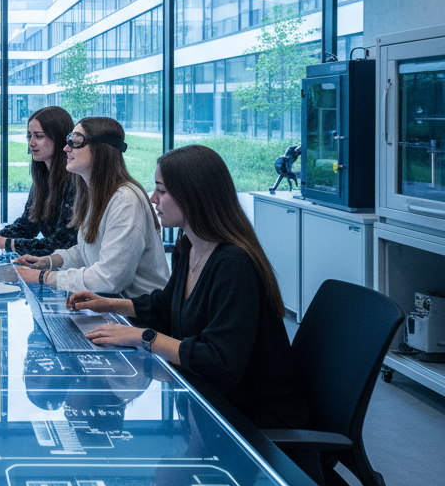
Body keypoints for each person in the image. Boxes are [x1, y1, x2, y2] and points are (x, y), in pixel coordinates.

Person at [70, 144, 309, 431]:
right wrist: (109, 304)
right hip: (212, 403)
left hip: (253, 422)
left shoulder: (234, 264)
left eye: (162, 191)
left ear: (193, 197)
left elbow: (219, 361)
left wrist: (143, 337)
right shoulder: (188, 247)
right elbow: (166, 306)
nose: (153, 198)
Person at [13, 117, 168, 297]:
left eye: (75, 142)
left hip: (142, 310)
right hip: (113, 304)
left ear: (101, 149)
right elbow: (88, 251)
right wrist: (50, 261)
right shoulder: (95, 194)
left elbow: (109, 278)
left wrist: (45, 277)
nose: (66, 148)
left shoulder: (125, 201)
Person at [0, 106, 78, 257]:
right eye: (30, 136)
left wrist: (5, 242)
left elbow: (61, 245)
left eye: (39, 136)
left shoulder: (74, 182)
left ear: (59, 138)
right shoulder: (42, 179)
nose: (31, 143)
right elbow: (27, 225)